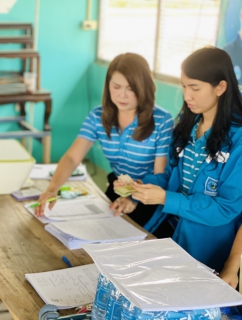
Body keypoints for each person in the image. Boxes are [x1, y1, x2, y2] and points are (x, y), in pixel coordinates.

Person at [123, 47, 242, 272]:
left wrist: (166, 198)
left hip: (207, 248)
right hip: (171, 230)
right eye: (184, 86)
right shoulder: (187, 126)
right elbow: (169, 175)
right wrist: (137, 190)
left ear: (221, 87)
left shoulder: (238, 140)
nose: (187, 96)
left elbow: (226, 209)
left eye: (195, 88)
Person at [35, 53, 174, 228]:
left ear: (144, 87)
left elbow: (160, 175)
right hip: (118, 189)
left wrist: (133, 196)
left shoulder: (162, 120)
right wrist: (51, 189)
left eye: (131, 89)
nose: (122, 95)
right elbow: (72, 157)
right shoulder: (97, 116)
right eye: (116, 86)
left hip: (148, 196)